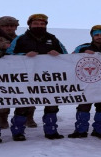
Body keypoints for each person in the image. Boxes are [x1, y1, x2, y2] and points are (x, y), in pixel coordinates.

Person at [9, 13, 67, 141]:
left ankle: (51, 131)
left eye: (42, 24)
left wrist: (58, 54)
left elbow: (66, 56)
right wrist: (24, 55)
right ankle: (18, 132)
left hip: (49, 79)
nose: (39, 26)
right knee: (23, 105)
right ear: (30, 25)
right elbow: (8, 56)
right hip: (26, 79)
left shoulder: (53, 39)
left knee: (52, 105)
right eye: (35, 23)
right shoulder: (20, 39)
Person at [0, 15, 26, 130]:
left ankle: (28, 117)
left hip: (19, 72)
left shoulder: (22, 39)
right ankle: (2, 117)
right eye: (5, 25)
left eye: (12, 25)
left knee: (25, 95)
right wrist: (4, 46)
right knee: (3, 96)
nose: (9, 28)